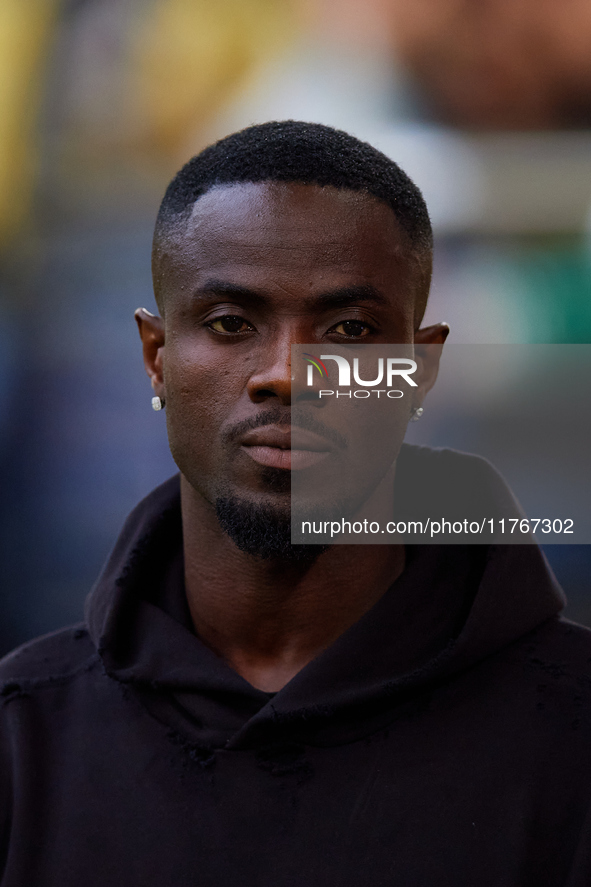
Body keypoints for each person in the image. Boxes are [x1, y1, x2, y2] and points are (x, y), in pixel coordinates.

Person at [0, 121, 589, 886]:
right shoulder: (23, 741)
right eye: (230, 323)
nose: (288, 373)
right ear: (156, 357)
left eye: (347, 329)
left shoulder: (572, 739)